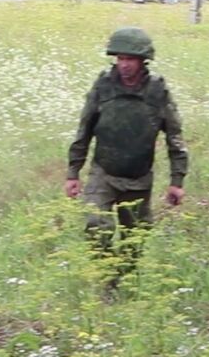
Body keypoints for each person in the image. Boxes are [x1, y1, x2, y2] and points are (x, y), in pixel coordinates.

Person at [65, 27, 188, 280]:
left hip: (139, 177)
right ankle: (108, 279)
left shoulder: (157, 93)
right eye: (120, 58)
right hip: (104, 173)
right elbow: (84, 129)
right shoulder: (103, 87)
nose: (124, 65)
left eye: (130, 59)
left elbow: (174, 137)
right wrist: (73, 172)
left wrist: (177, 182)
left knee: (134, 238)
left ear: (143, 61)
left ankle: (126, 281)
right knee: (96, 225)